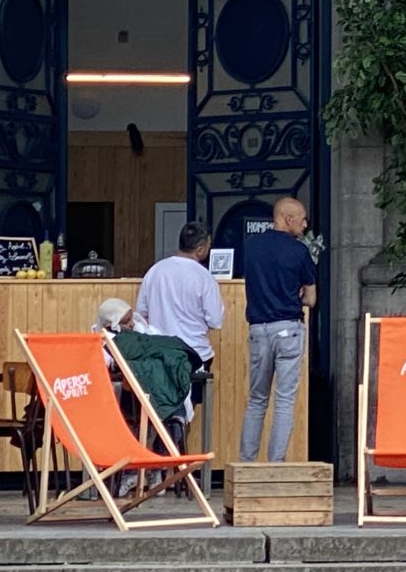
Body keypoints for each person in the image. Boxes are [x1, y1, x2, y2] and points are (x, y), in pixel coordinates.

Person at [237, 196, 316, 462]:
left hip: (258, 330)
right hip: (289, 330)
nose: (305, 225)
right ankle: (276, 464)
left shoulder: (252, 246)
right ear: (288, 218)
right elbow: (311, 299)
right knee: (284, 399)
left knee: (257, 399)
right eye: (302, 219)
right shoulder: (299, 251)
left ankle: (247, 463)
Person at [135, 222, 224, 448]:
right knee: (182, 414)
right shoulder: (204, 277)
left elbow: (141, 314)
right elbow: (216, 320)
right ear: (201, 249)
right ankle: (173, 462)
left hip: (159, 356)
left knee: (161, 410)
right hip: (194, 356)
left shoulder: (155, 271)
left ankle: (162, 461)